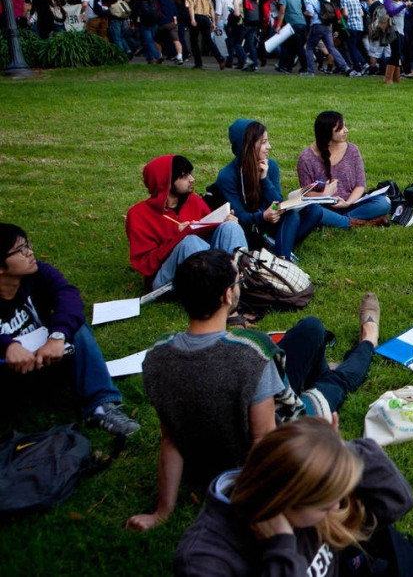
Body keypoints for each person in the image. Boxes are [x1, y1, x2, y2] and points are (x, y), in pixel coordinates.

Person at [127, 249, 379, 531]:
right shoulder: (250, 355)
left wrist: (162, 511)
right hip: (280, 429)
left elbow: (171, 440)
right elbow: (265, 443)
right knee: (336, 383)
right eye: (237, 283)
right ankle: (368, 339)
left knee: (312, 328)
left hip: (218, 438)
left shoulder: (158, 356)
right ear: (226, 296)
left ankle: (319, 372)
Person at [172, 416, 413, 577]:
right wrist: (280, 546)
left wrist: (334, 452)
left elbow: (397, 500)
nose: (336, 507)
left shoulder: (299, 496)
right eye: (324, 505)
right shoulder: (203, 561)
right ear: (285, 502)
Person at [0, 223, 140, 438]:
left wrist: (57, 335)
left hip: (48, 357)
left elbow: (68, 296)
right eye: (20, 250)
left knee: (77, 329)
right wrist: (7, 346)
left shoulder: (38, 273)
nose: (30, 252)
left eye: (27, 244)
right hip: (10, 373)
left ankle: (101, 406)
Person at [126, 154, 248, 290]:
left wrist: (223, 221)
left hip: (203, 266)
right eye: (184, 176)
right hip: (165, 276)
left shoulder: (194, 201)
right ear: (166, 180)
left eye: (190, 174)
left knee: (230, 227)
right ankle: (219, 292)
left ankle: (244, 279)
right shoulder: (138, 215)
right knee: (190, 242)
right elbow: (146, 264)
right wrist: (177, 238)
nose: (192, 179)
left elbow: (209, 237)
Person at [215, 119, 325, 259]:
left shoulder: (270, 166)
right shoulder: (227, 176)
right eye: (263, 142)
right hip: (249, 230)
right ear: (247, 145)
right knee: (292, 217)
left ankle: (278, 247)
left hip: (270, 223)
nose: (269, 146)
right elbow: (239, 217)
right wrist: (263, 216)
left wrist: (264, 179)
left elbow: (278, 201)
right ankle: (283, 257)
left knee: (314, 210)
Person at [296, 111, 392, 230]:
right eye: (340, 128)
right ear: (327, 131)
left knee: (384, 202)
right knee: (312, 211)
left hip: (351, 204)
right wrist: (324, 194)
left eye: (345, 126)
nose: (346, 130)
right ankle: (363, 223)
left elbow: (360, 185)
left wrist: (347, 203)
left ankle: (338, 221)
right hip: (324, 207)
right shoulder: (306, 158)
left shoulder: (352, 150)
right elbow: (305, 193)